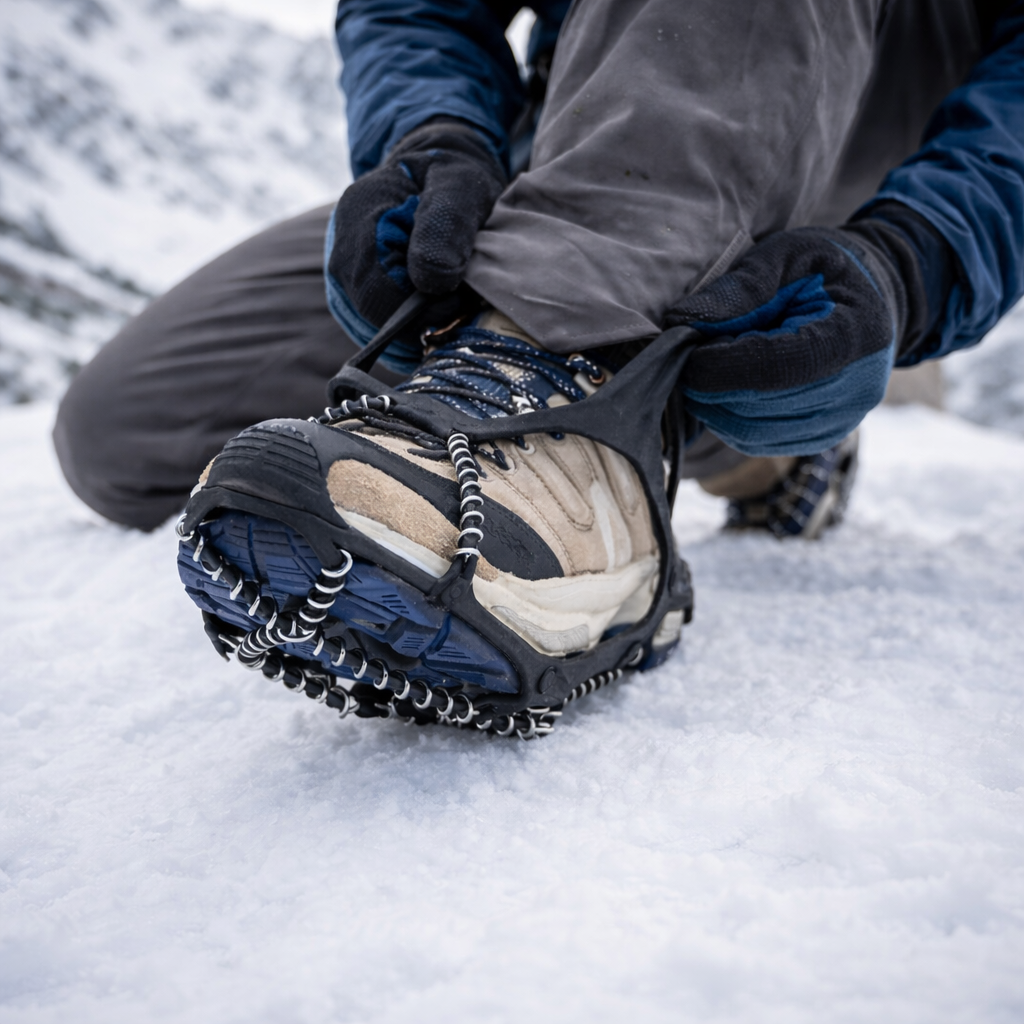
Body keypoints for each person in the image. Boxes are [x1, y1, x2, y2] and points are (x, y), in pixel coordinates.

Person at [54, 0, 1024, 733]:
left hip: (863, 155)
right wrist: (431, 138)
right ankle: (746, 442)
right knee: (129, 430)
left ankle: (579, 457)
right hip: (580, 155)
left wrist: (916, 255)